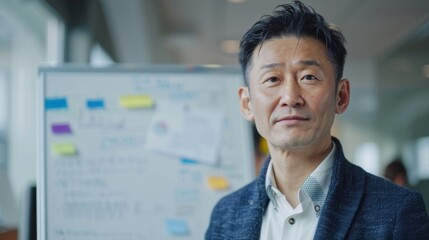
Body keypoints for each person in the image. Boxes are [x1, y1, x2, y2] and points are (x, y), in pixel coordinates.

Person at [205, 1, 429, 239]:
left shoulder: (397, 211)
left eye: (308, 77)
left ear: (341, 96)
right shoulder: (225, 216)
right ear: (247, 103)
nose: (290, 97)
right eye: (272, 79)